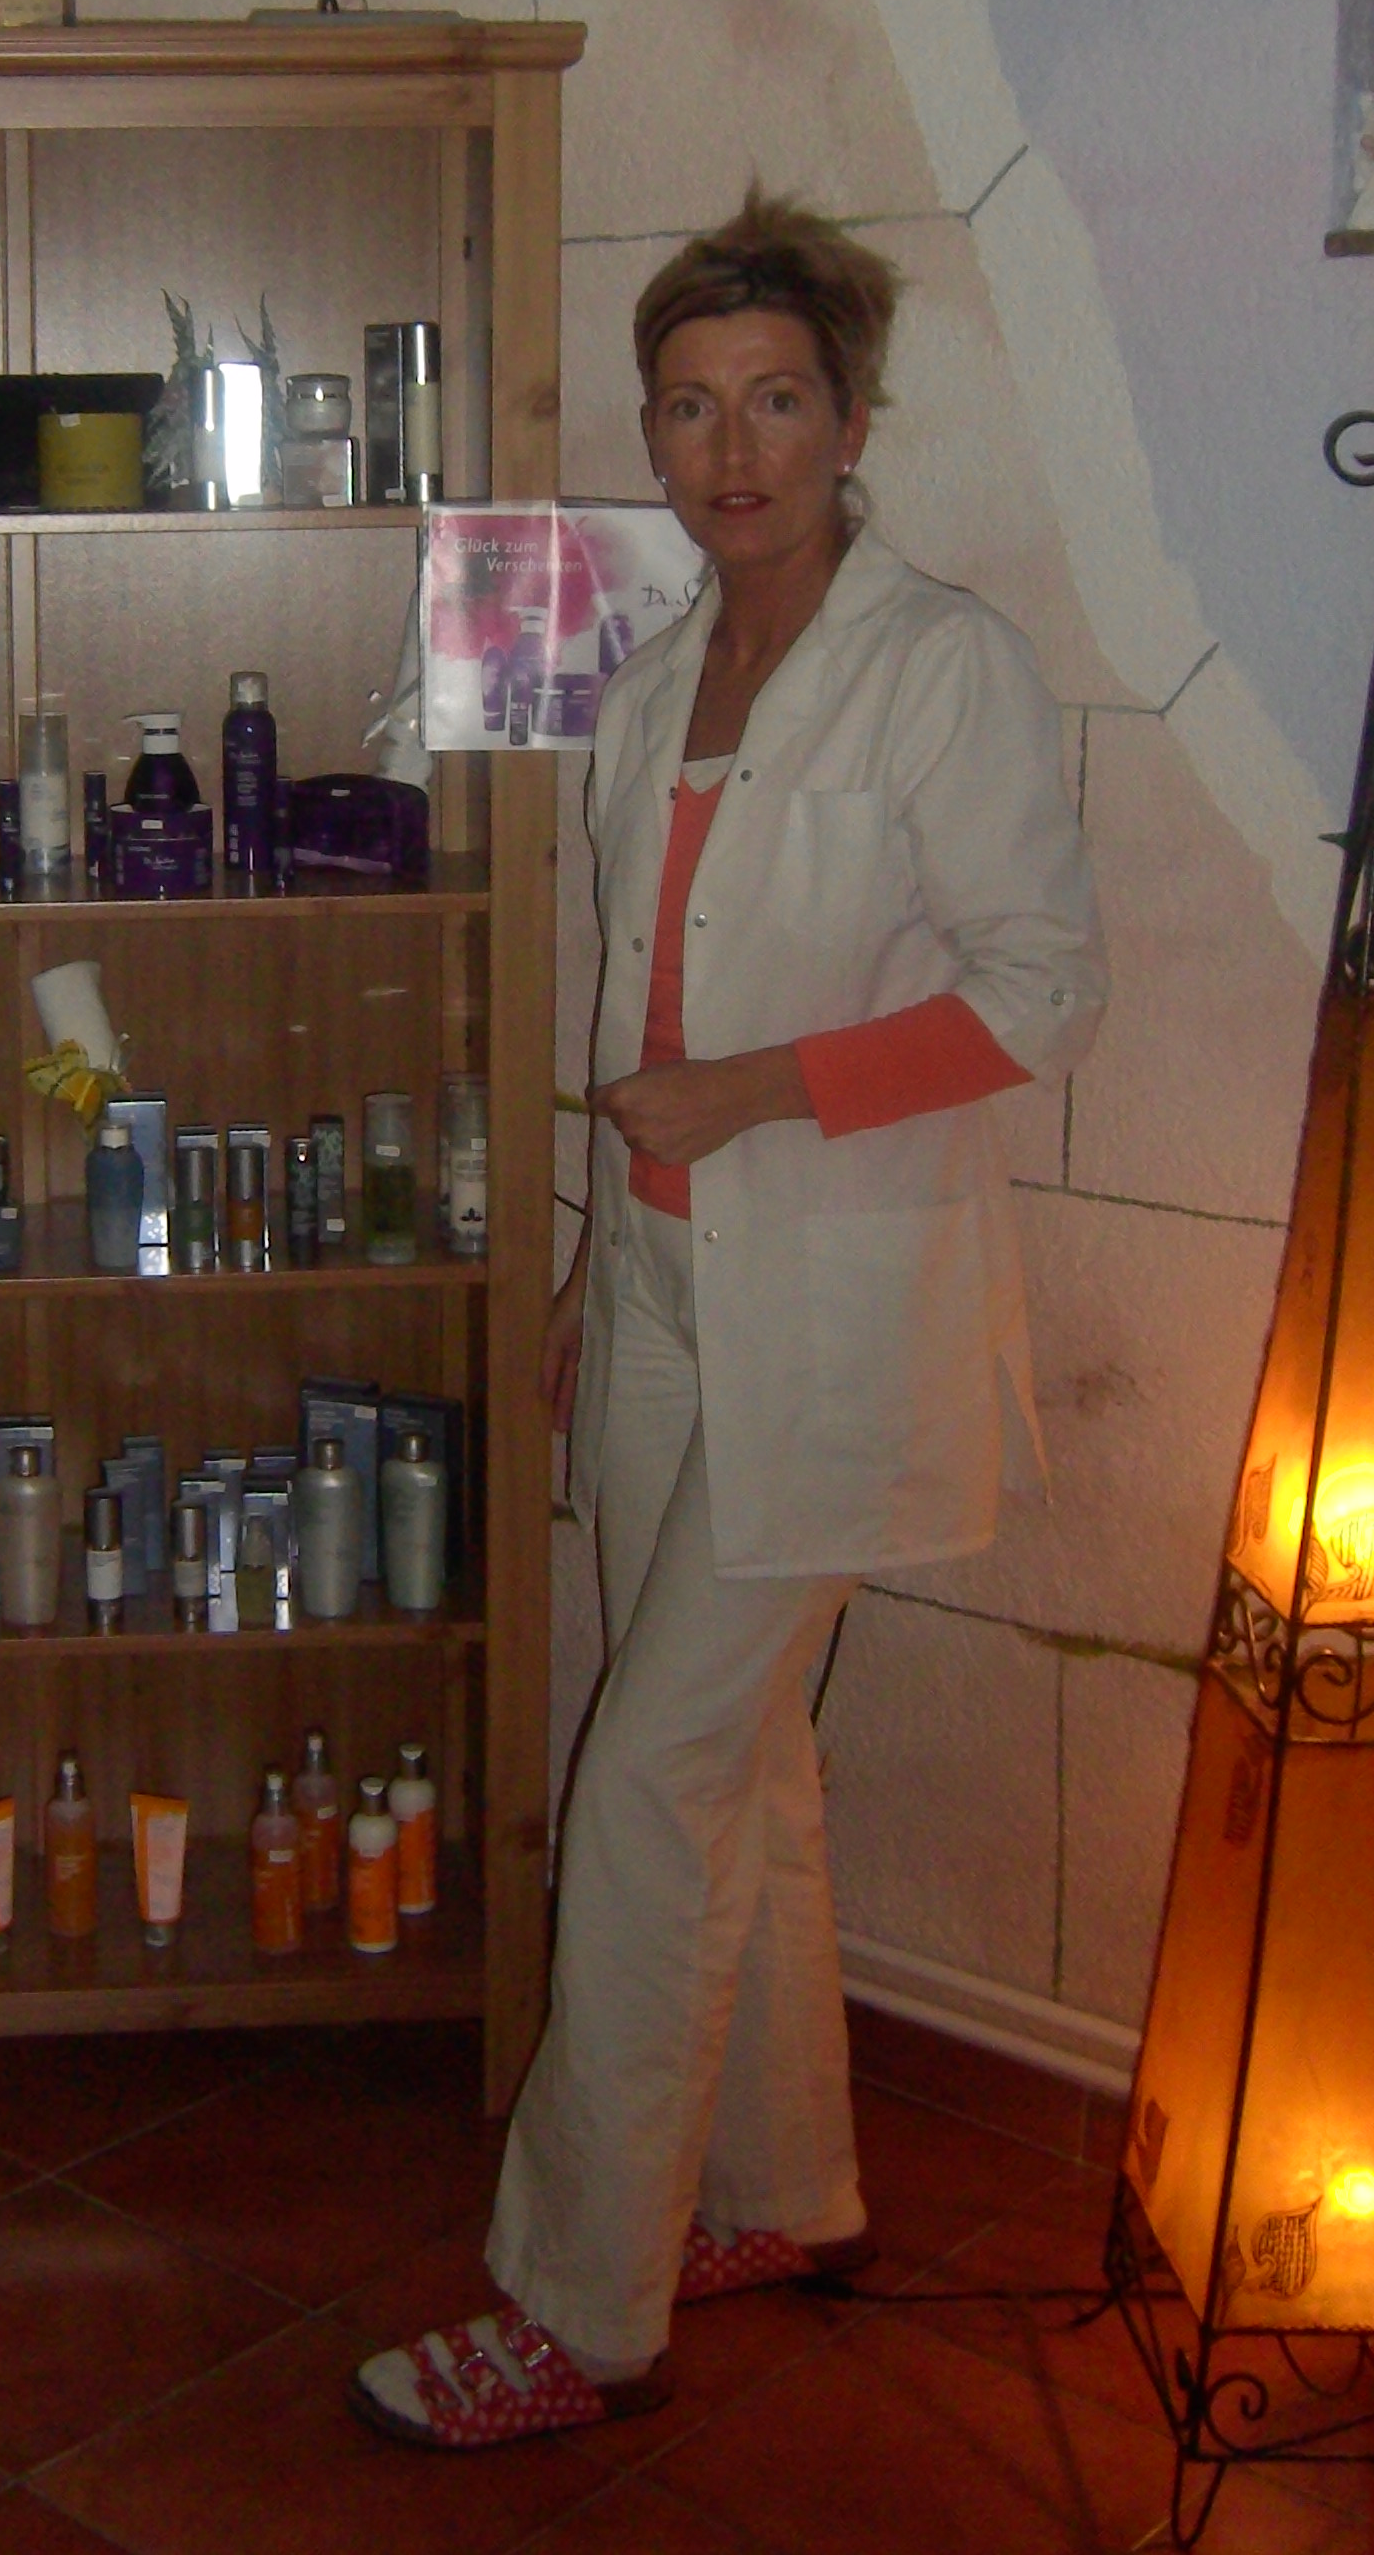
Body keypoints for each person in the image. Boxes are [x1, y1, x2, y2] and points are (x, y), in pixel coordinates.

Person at [351, 190, 1105, 2448]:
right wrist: (603, 1249)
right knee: (743, 1767)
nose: (730, 449)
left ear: (853, 419)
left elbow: (1042, 996)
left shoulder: (943, 663)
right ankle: (788, 2187)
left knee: (655, 1780)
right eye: (689, 408)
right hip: (667, 1280)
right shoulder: (652, 670)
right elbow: (631, 1005)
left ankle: (580, 2309)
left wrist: (758, 1094)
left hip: (842, 1304)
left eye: (775, 400)